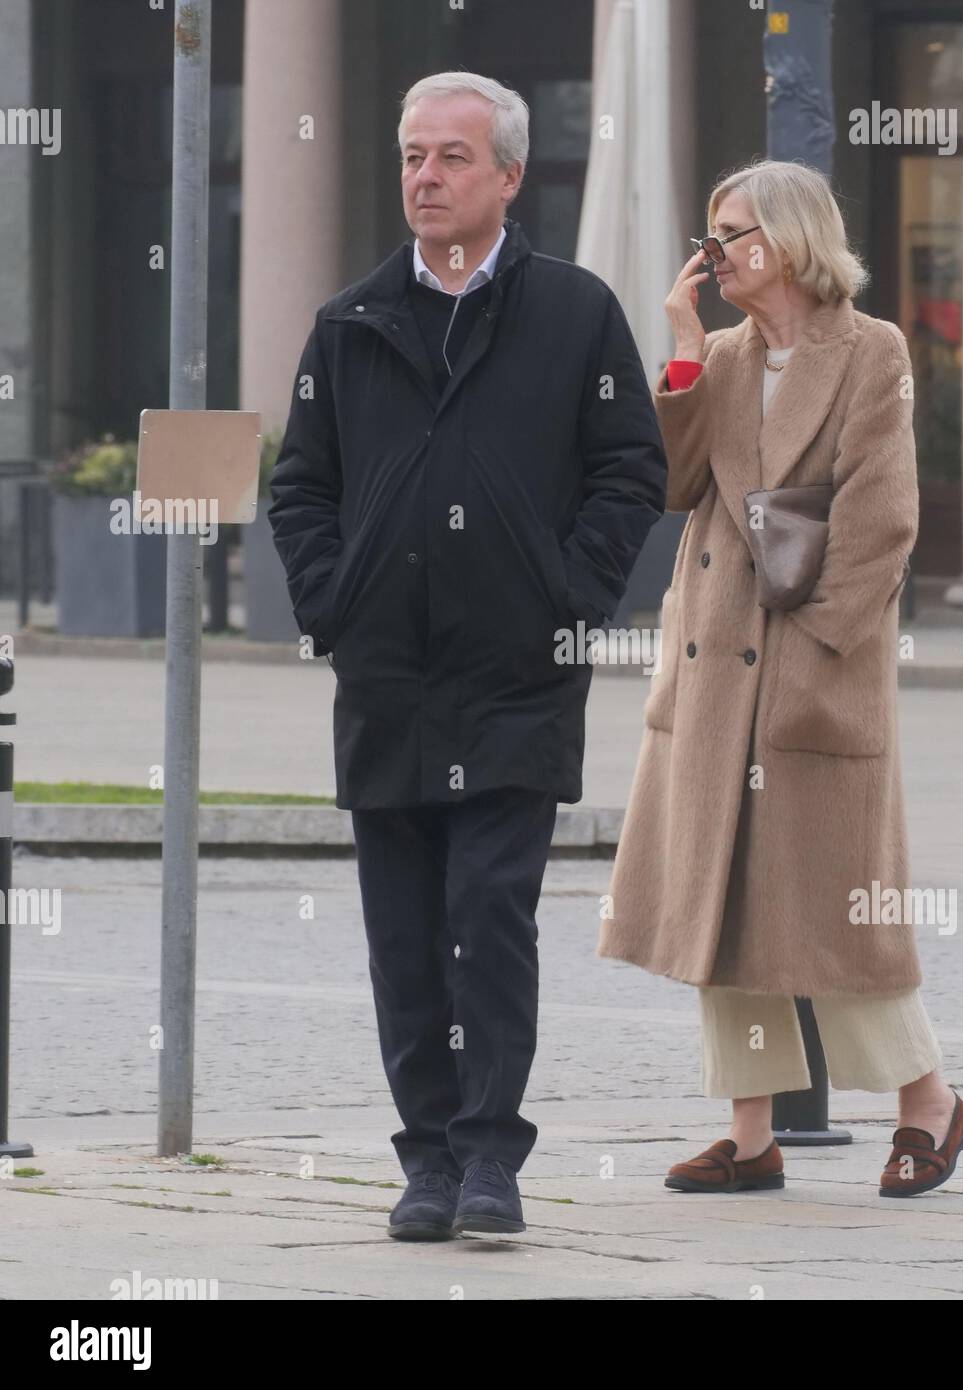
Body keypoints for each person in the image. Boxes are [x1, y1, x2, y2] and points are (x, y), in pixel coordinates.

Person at [268, 71, 665, 1241]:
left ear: (506, 176)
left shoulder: (576, 312)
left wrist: (569, 590)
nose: (424, 178)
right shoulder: (350, 322)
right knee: (402, 936)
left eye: (449, 157)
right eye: (410, 157)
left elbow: (630, 470)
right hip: (387, 677)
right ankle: (427, 1161)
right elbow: (302, 485)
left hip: (514, 677)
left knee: (487, 916)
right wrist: (332, 603)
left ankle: (491, 1154)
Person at [598, 159, 963, 1198]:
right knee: (726, 910)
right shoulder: (720, 353)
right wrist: (680, 353)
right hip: (715, 670)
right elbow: (670, 486)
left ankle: (929, 1103)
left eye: (733, 234)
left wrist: (812, 646)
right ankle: (752, 1133)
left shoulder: (873, 350)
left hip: (815, 669)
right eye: (709, 234)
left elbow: (881, 520)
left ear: (794, 238)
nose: (713, 253)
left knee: (840, 913)